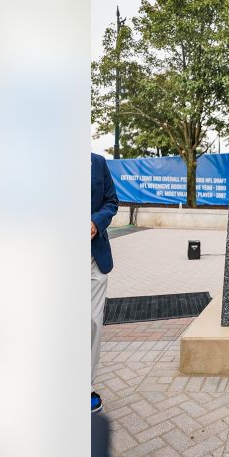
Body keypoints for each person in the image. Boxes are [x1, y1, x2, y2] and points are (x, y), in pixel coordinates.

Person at [91, 153, 119, 412]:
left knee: (92, 323)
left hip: (92, 257)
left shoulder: (97, 163)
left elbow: (111, 202)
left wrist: (95, 223)